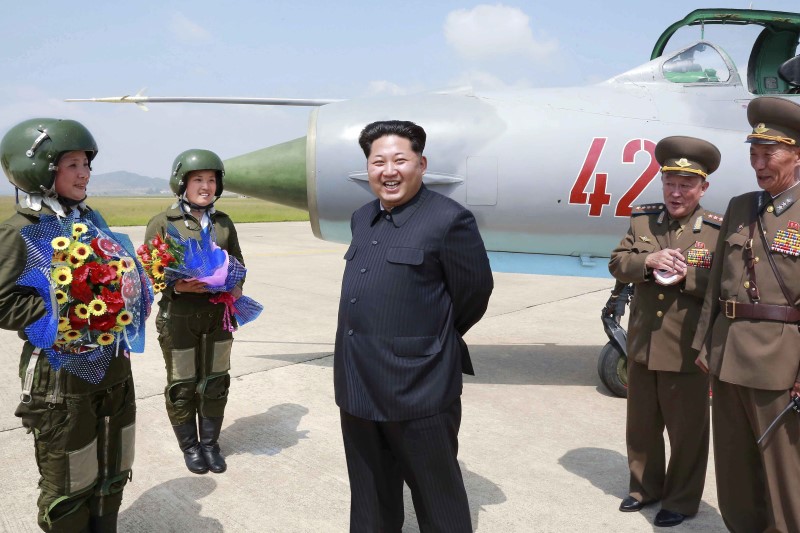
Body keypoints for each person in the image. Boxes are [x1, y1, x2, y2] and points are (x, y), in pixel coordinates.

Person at [334, 120, 493, 532]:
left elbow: (472, 295)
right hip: (357, 381)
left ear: (421, 164)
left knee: (436, 496)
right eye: (378, 161)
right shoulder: (362, 218)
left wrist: (427, 342)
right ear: (367, 169)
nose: (389, 171)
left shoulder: (449, 220)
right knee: (369, 494)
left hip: (418, 387)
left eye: (399, 160)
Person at [0, 118, 152, 532]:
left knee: (112, 470)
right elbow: (4, 303)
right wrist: (64, 314)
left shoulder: (93, 221)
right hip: (60, 380)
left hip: (114, 368)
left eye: (87, 163)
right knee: (69, 483)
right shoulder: (20, 232)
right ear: (39, 169)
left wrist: (134, 292)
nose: (84, 172)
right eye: (71, 163)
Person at [692, 96, 800, 532]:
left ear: (797, 153)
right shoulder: (740, 206)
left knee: (783, 474)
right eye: (753, 153)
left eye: (769, 153)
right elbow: (716, 284)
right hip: (727, 352)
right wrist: (702, 344)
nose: (759, 163)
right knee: (734, 470)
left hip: (780, 360)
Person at [609, 136, 722, 527]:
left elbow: (726, 286)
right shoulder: (643, 220)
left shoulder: (715, 231)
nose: (676, 192)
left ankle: (682, 500)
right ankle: (644, 489)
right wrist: (648, 259)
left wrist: (689, 275)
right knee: (641, 426)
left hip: (686, 348)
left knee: (687, 433)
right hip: (642, 343)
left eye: (686, 185)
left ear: (702, 188)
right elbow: (618, 263)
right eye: (670, 183)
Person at [145, 149, 244, 475]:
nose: (206, 186)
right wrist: (178, 287)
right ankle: (191, 447)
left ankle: (211, 445)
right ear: (182, 183)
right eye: (198, 179)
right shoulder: (163, 223)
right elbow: (150, 273)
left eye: (211, 180)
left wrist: (235, 285)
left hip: (218, 316)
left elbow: (239, 264)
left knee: (215, 381)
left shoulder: (223, 223)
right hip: (179, 318)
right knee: (183, 384)